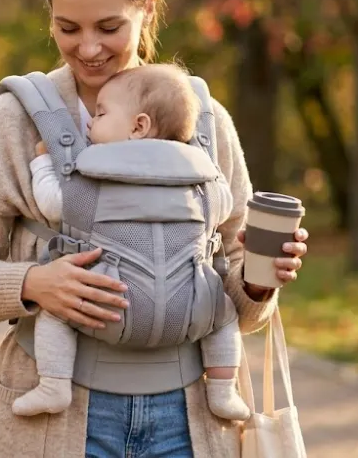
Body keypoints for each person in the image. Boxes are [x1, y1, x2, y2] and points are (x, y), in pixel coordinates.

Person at [0, 0, 310, 457]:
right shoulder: (14, 121)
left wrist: (261, 281)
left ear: (147, 9)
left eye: (109, 26)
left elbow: (240, 304)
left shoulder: (204, 123)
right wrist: (34, 283)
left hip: (190, 419)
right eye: (68, 28)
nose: (88, 48)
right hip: (56, 422)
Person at [13, 64, 249, 422]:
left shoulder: (94, 181)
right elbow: (224, 207)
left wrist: (44, 162)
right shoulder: (201, 180)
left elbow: (52, 204)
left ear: (138, 126)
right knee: (224, 316)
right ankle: (222, 389)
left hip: (105, 307)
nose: (90, 123)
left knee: (55, 315)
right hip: (190, 310)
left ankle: (54, 385)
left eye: (101, 114)